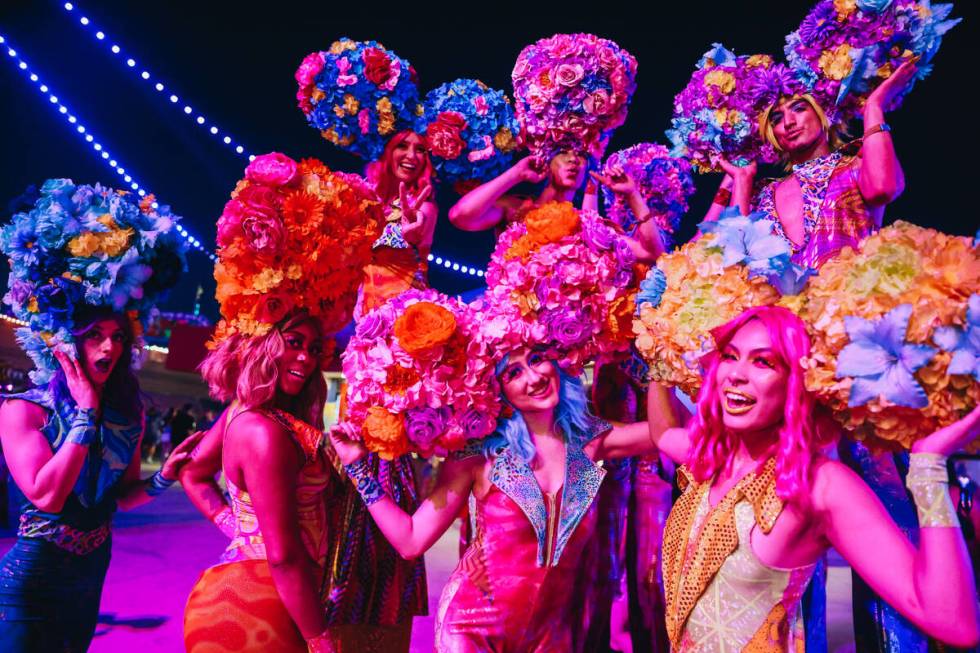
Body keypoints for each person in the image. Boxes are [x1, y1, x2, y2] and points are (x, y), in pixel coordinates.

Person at [648, 305, 979, 651]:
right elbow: (663, 433)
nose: (735, 374)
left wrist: (928, 468)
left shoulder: (821, 485)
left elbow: (953, 622)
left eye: (763, 362)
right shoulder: (712, 460)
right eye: (730, 356)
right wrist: (662, 349)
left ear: (799, 381)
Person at [329, 347, 682, 652]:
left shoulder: (593, 440)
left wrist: (660, 363)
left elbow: (670, 434)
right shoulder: (478, 455)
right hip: (472, 629)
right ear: (495, 388)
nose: (534, 377)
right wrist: (358, 468)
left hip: (553, 633)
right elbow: (410, 540)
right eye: (514, 372)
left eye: (538, 359)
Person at [0, 311, 201, 651]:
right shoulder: (23, 409)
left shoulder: (127, 414)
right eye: (95, 334)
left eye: (118, 336)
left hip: (91, 574)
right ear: (67, 341)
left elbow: (123, 497)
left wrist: (165, 477)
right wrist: (86, 414)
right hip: (34, 577)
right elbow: (46, 496)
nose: (109, 346)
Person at [183, 311, 337, 653]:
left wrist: (240, 529)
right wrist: (321, 641)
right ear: (263, 344)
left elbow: (193, 474)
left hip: (260, 593)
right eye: (294, 343)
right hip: (268, 605)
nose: (306, 358)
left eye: (314, 349)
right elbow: (283, 556)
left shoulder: (242, 410)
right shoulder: (264, 432)